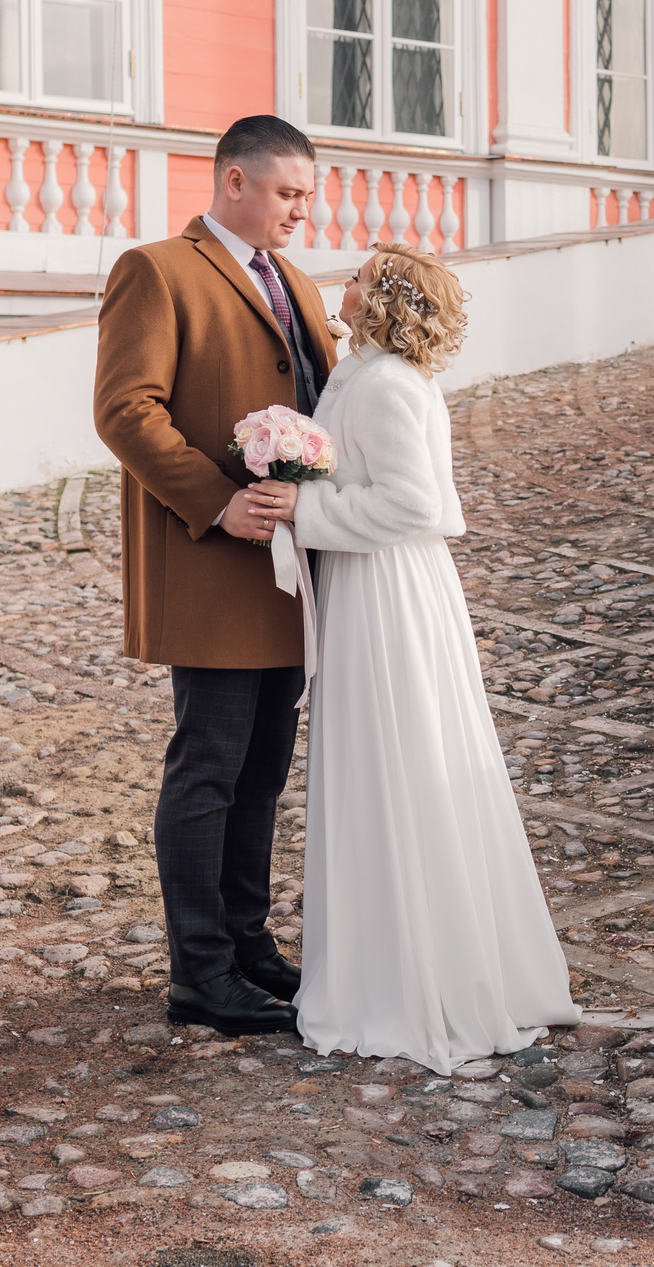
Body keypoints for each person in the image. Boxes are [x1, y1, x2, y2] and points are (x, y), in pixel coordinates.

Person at [245, 243, 579, 1071]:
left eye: (358, 277)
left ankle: (407, 983)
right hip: (366, 584)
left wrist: (302, 504)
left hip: (389, 589)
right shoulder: (363, 371)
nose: (344, 285)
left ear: (384, 297)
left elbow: (415, 503)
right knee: (373, 761)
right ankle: (376, 960)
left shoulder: (389, 384)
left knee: (398, 756)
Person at [92, 115, 336, 1037]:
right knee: (207, 772)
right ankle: (199, 973)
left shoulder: (301, 286)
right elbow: (126, 410)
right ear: (234, 181)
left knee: (264, 770)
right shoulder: (156, 270)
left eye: (308, 196)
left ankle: (247, 946)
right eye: (286, 193)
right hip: (210, 562)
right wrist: (217, 501)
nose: (300, 211)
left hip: (286, 573)